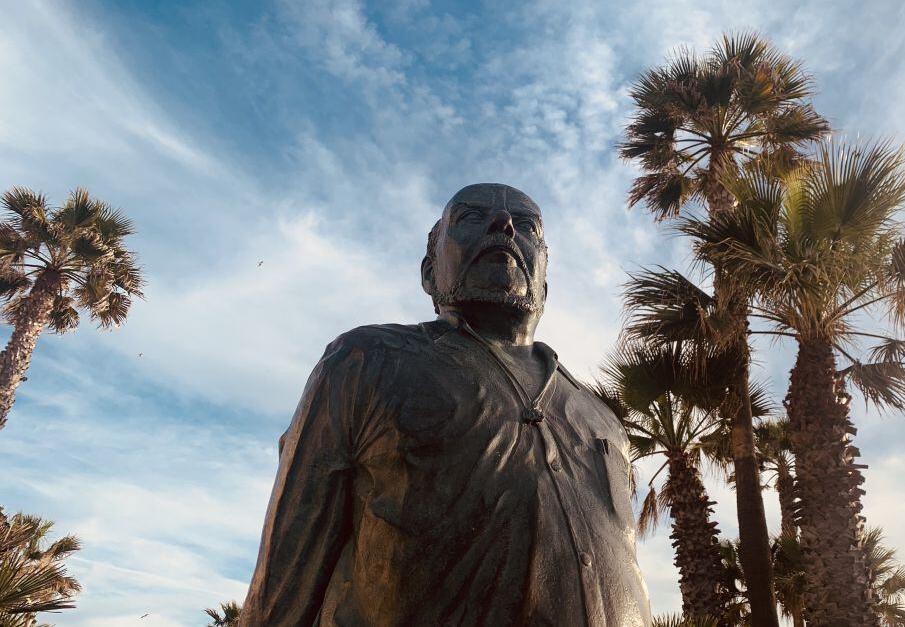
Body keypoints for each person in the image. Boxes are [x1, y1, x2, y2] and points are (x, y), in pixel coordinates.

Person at [240, 183, 651, 626]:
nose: (504, 225)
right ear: (429, 273)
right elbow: (286, 571)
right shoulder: (367, 361)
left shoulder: (601, 418)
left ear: (545, 283)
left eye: (527, 225)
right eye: (472, 217)